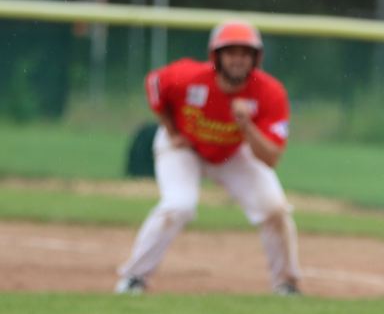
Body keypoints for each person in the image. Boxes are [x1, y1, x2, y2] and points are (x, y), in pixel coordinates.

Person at [114, 20, 301, 296]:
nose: (238, 59)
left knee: (275, 209)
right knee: (179, 205)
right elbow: (154, 84)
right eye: (231, 52)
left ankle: (286, 285)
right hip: (185, 148)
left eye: (245, 53)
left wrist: (246, 125)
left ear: (255, 58)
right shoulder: (188, 77)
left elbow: (272, 158)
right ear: (216, 56)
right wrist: (170, 129)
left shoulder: (270, 93)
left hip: (233, 150)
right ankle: (133, 279)